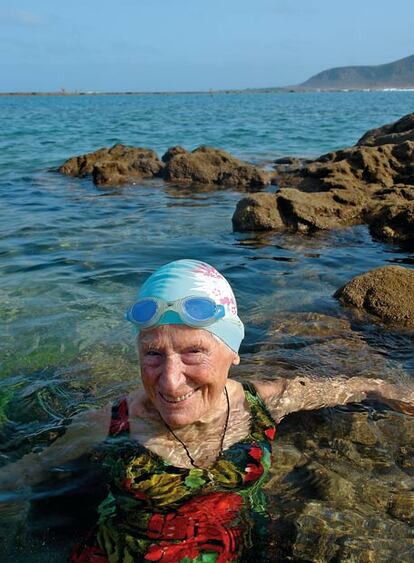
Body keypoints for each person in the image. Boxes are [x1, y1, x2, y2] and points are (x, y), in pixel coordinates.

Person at [1, 259, 413, 562]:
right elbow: (28, 471)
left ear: (232, 350)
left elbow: (346, 388)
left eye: (193, 351)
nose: (169, 380)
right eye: (152, 354)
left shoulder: (262, 402)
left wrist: (385, 389)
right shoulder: (110, 424)